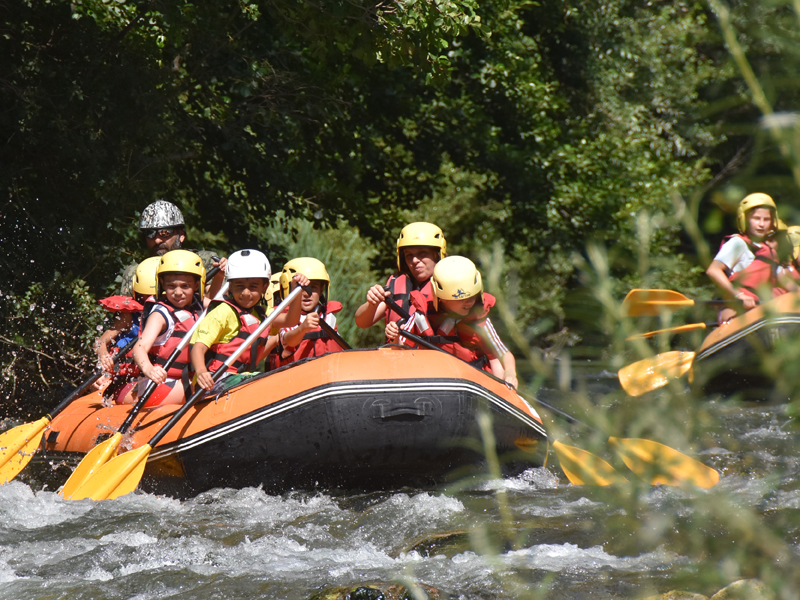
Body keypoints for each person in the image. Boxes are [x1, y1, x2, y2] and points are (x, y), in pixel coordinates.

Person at [386, 255, 518, 388]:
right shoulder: (421, 316)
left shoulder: (480, 323)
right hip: (431, 382)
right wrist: (395, 335)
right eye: (460, 299)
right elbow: (400, 348)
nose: (469, 302)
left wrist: (510, 373)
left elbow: (501, 355)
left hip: (472, 384)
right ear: (441, 298)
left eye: (473, 296)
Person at [190, 249, 309, 391]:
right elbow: (198, 347)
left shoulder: (262, 315)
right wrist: (201, 371)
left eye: (253, 287)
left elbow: (291, 321)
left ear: (265, 287)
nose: (246, 293)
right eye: (240, 286)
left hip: (242, 377)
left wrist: (297, 291)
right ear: (231, 286)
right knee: (266, 381)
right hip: (216, 378)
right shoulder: (222, 311)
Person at [121, 250, 216, 407]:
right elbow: (139, 347)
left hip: (187, 379)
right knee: (205, 387)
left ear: (196, 285)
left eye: (185, 286)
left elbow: (219, 305)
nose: (178, 293)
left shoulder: (200, 306)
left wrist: (220, 276)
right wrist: (149, 369)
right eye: (171, 286)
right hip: (159, 385)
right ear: (162, 284)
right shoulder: (160, 314)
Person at [354, 222, 446, 335]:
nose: (415, 260)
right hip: (398, 352)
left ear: (437, 255)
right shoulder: (396, 285)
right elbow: (362, 322)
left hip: (433, 352)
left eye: (422, 253)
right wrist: (372, 303)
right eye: (409, 255)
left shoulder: (451, 285)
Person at [118, 200, 222, 297]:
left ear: (181, 235)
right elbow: (125, 311)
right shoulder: (135, 272)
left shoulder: (204, 261)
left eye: (165, 232)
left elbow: (215, 302)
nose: (157, 240)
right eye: (150, 233)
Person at [706, 193, 782, 324]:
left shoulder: (770, 252)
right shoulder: (738, 243)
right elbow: (713, 270)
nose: (761, 224)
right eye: (756, 219)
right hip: (736, 310)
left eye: (766, 219)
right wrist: (739, 295)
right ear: (745, 219)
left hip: (760, 312)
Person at [276, 257, 345, 366]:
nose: (307, 294)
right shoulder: (284, 317)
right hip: (297, 376)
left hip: (326, 373)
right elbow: (288, 341)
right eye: (300, 288)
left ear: (322, 290)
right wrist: (302, 328)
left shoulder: (329, 317)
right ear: (288, 289)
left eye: (313, 288)